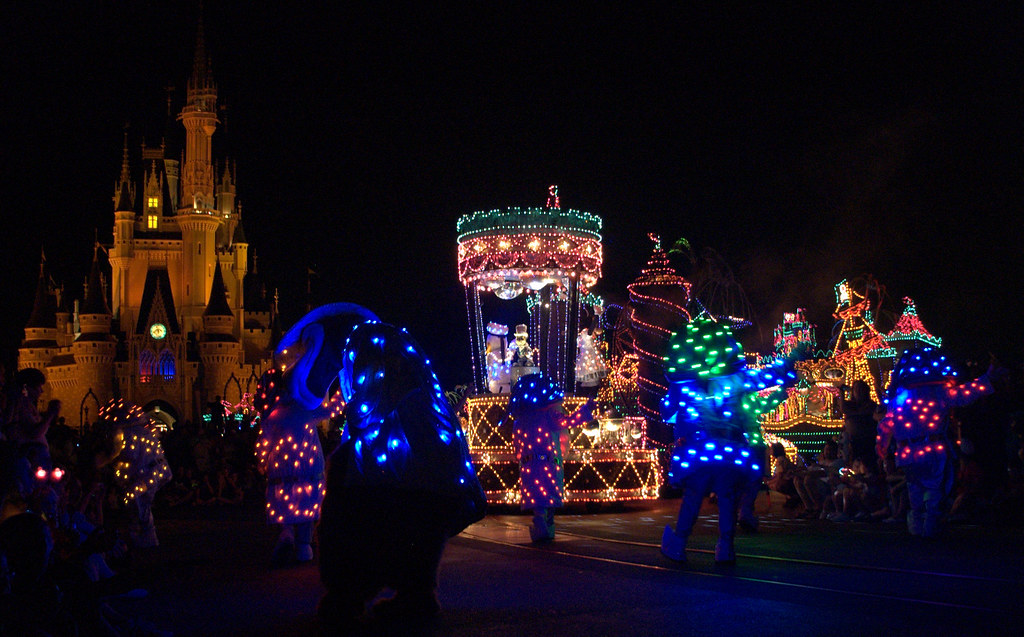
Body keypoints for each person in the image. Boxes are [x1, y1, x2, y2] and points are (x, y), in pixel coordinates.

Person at [318, 321, 485, 628]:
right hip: (417, 499)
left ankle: (370, 593)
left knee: (376, 533)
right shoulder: (421, 404)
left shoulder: (411, 405)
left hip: (409, 500)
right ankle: (392, 593)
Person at [659, 317, 798, 564]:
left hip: (698, 451)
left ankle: (679, 543)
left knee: (693, 497)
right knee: (727, 498)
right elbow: (773, 375)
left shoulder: (682, 386)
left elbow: (666, 413)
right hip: (730, 449)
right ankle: (725, 547)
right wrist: (791, 358)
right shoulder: (738, 379)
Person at [255, 303, 381, 567]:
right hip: (308, 468)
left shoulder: (274, 417)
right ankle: (303, 546)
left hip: (282, 471)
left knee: (288, 512)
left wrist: (263, 462)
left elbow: (263, 445)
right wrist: (345, 386)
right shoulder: (303, 413)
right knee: (308, 511)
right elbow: (332, 410)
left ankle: (287, 536)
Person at [876, 347, 1000, 538]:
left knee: (914, 489)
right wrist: (988, 377)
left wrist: (881, 450)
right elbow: (966, 393)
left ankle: (918, 526)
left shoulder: (898, 397)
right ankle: (930, 527)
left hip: (907, 453)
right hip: (932, 449)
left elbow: (885, 425)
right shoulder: (938, 391)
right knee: (933, 489)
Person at [505, 373, 594, 542]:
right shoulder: (549, 415)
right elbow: (569, 421)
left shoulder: (520, 420)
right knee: (549, 497)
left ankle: (541, 526)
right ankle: (546, 528)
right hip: (548, 462)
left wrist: (520, 458)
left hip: (529, 464)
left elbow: (516, 445)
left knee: (538, 500)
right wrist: (586, 409)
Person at [841, 380, 883, 469]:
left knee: (868, 465)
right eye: (856, 389)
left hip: (868, 440)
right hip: (853, 440)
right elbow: (844, 408)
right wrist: (841, 394)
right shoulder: (851, 405)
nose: (858, 392)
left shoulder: (871, 405)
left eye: (860, 389)